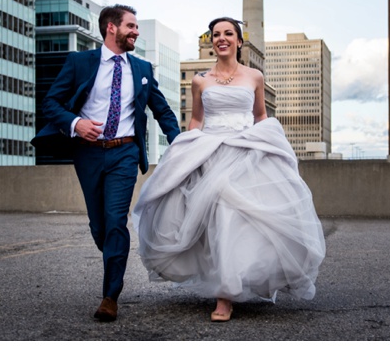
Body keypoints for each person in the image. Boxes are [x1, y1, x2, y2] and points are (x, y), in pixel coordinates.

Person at [132, 17, 326, 322]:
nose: (221, 38)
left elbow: (260, 116)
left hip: (247, 149)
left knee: (243, 219)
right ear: (212, 42)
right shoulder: (201, 80)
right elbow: (196, 121)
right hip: (211, 150)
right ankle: (224, 295)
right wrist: (185, 150)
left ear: (238, 40)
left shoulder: (254, 77)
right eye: (216, 34)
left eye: (228, 33)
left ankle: (233, 288)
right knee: (217, 218)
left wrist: (274, 151)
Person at [32, 4, 180, 322]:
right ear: (111, 28)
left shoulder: (141, 69)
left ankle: (110, 296)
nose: (136, 32)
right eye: (131, 26)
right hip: (87, 152)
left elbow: (162, 110)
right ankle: (114, 255)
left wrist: (179, 142)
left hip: (124, 152)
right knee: (100, 227)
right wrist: (75, 124)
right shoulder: (79, 62)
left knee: (115, 221)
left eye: (137, 26)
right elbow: (50, 103)